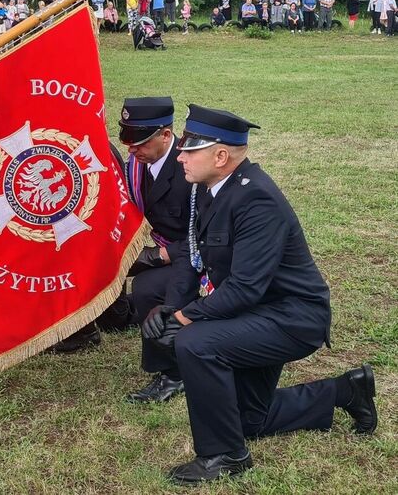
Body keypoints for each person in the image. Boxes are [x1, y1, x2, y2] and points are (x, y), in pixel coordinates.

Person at [142, 104, 378, 485]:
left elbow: (246, 287)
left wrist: (185, 319)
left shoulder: (256, 198)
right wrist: (171, 307)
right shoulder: (210, 188)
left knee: (196, 343)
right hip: (258, 313)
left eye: (190, 149)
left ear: (221, 156)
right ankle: (345, 391)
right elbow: (194, 256)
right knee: (250, 420)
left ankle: (224, 455)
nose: (181, 156)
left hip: (293, 318)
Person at [118, 97, 195, 401]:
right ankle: (113, 316)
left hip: (200, 256)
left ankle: (172, 374)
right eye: (127, 139)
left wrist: (161, 255)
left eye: (140, 142)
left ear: (166, 135)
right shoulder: (137, 165)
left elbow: (211, 233)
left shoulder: (189, 170)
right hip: (169, 249)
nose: (131, 149)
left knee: (148, 289)